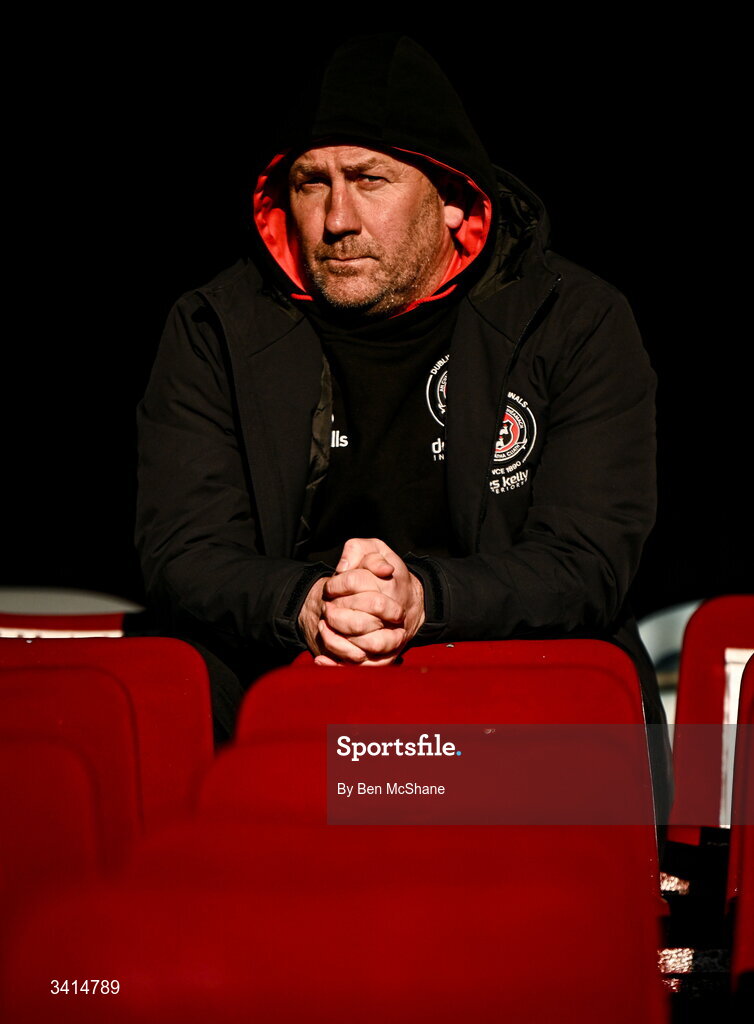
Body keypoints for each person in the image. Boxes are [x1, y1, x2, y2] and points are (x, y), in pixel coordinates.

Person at [135, 34, 671, 817]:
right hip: (289, 685)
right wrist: (309, 604)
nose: (335, 219)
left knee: (594, 681)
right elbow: (183, 549)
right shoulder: (217, 325)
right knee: (171, 684)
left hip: (503, 689)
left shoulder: (575, 319)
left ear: (453, 199)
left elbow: (589, 560)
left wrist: (422, 599)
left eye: (369, 180)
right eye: (311, 184)